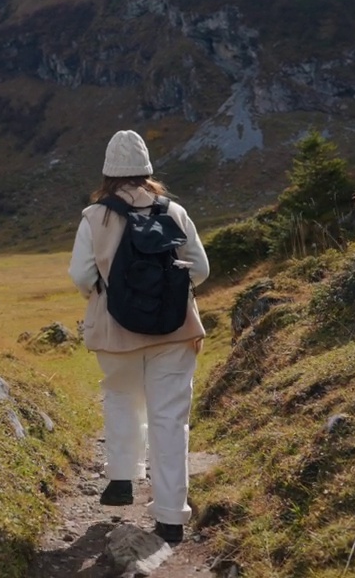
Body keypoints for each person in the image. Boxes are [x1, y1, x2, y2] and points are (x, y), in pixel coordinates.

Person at [68, 129, 210, 546]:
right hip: (176, 330)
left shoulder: (94, 216)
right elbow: (199, 268)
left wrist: (105, 295)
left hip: (117, 331)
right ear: (147, 170)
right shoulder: (175, 212)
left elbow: (80, 275)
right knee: (170, 419)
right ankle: (170, 518)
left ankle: (123, 478)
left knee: (121, 397)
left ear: (109, 173)